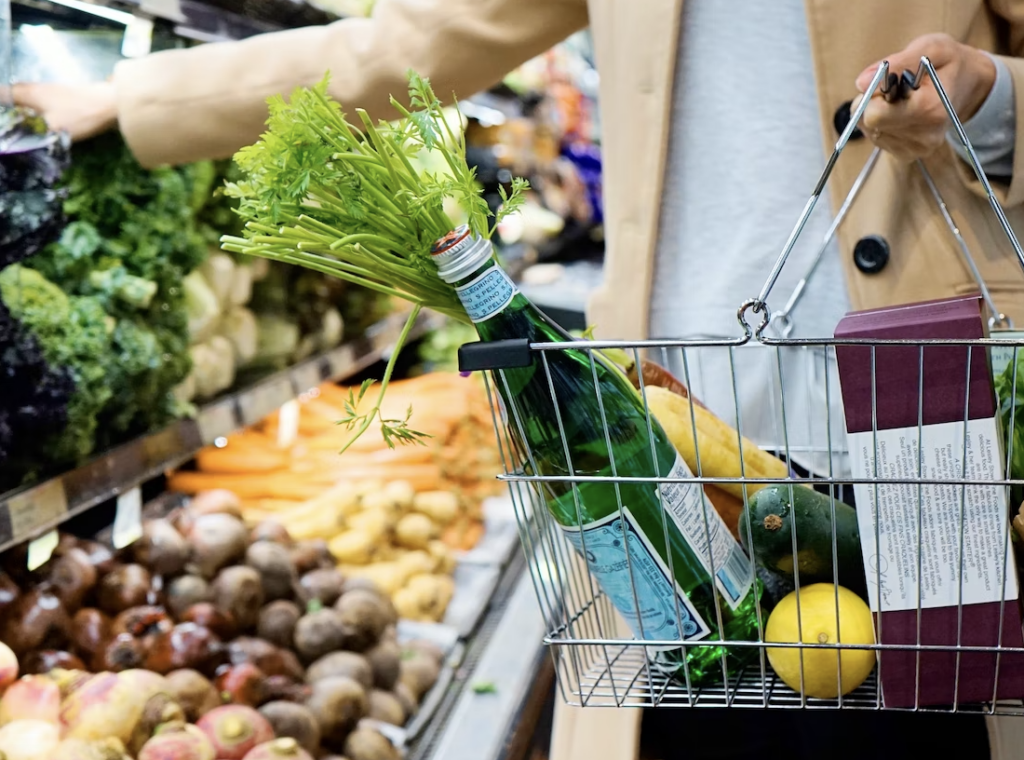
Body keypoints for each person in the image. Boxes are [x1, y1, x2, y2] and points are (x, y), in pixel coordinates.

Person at [14, 1, 1024, 759]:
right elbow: (406, 42)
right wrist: (136, 99)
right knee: (705, 715)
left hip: (925, 420)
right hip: (674, 434)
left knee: (933, 720)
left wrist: (993, 100)